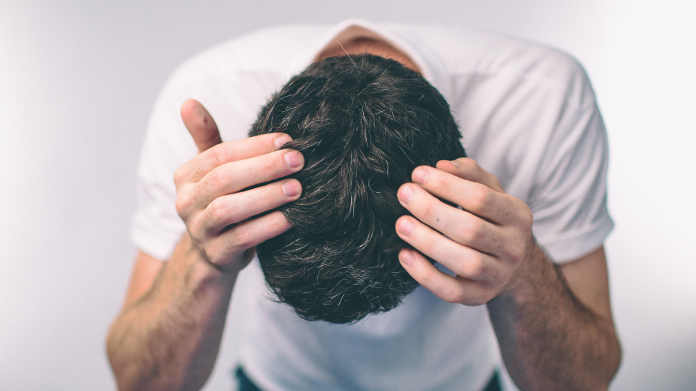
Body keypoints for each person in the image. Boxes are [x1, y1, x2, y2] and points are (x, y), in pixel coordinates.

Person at [106, 19, 621, 391]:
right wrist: (202, 256)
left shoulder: (545, 101)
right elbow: (140, 381)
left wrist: (521, 270)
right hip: (279, 381)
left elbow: (587, 381)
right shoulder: (209, 97)